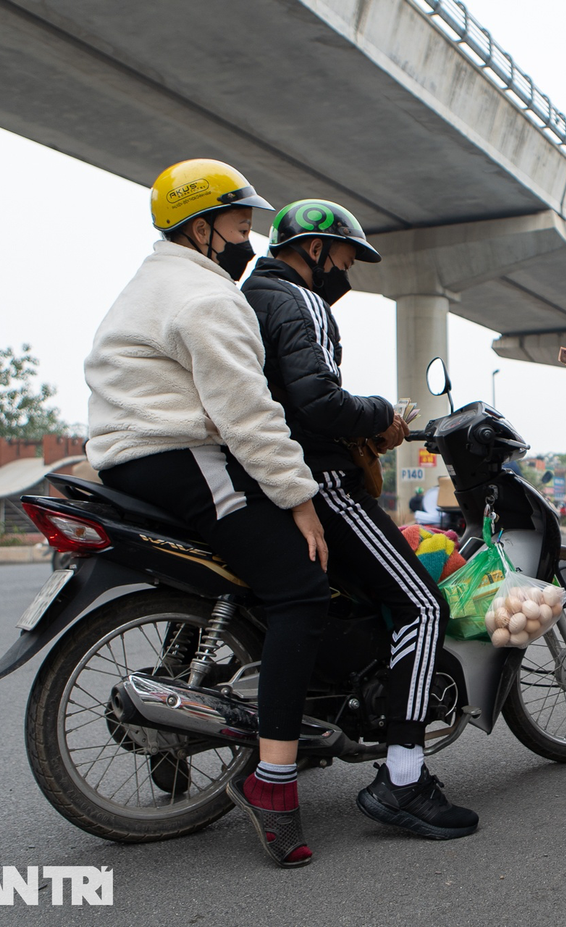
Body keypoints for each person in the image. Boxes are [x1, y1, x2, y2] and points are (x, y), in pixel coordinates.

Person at [85, 159, 330, 868]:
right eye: (240, 225)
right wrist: (301, 499)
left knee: (228, 571)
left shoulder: (151, 281)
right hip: (182, 455)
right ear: (202, 229)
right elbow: (247, 413)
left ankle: (183, 727)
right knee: (301, 590)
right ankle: (272, 783)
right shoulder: (206, 297)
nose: (248, 239)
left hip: (131, 461)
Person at [242, 199, 478, 840]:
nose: (347, 273)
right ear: (315, 249)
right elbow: (317, 400)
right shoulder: (300, 300)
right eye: (346, 260)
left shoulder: (249, 297)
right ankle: (403, 778)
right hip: (320, 480)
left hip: (258, 479)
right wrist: (381, 416)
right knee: (423, 605)